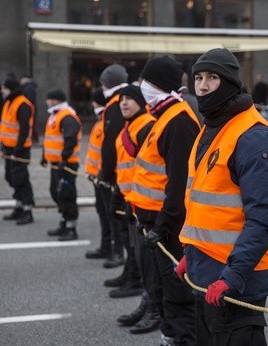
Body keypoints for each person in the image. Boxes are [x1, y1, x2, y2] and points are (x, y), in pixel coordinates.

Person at [176, 48, 268, 345]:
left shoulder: (252, 136)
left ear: (230, 83)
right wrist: (191, 255)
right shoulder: (211, 127)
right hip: (206, 274)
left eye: (212, 77)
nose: (203, 85)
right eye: (198, 77)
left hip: (235, 283)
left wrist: (232, 276)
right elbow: (205, 204)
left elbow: (266, 218)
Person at [124, 55, 201, 346]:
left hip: (168, 229)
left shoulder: (178, 121)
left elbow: (179, 185)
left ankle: (180, 339)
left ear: (158, 85)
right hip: (156, 225)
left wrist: (164, 225)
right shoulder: (163, 116)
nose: (141, 86)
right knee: (165, 293)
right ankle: (169, 336)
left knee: (179, 297)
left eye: (146, 80)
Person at [112, 84, 160, 334]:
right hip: (131, 201)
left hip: (145, 204)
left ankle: (154, 308)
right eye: (122, 99)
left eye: (130, 98)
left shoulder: (146, 125)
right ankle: (148, 301)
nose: (124, 103)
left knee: (150, 262)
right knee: (141, 259)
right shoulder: (129, 125)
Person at [97, 64, 130, 269]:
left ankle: (118, 253)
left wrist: (105, 172)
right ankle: (114, 250)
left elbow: (110, 142)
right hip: (119, 169)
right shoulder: (121, 101)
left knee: (115, 214)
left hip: (118, 171)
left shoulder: (116, 104)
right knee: (111, 212)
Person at [40, 88, 82, 241]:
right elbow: (49, 138)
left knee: (67, 195)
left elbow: (70, 139)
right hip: (56, 163)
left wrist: (64, 158)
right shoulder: (54, 115)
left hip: (67, 164)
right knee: (56, 192)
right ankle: (64, 221)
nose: (47, 102)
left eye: (49, 99)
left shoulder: (67, 117)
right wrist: (44, 156)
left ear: (56, 100)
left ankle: (71, 228)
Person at [0, 78, 35, 225]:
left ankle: (27, 210)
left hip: (19, 150)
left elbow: (24, 130)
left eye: (4, 88)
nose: (2, 90)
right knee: (11, 178)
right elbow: (5, 127)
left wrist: (17, 150)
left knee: (21, 180)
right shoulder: (9, 102)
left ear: (10, 89)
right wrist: (3, 147)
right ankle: (19, 206)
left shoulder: (22, 104)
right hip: (9, 148)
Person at [84, 88, 112, 259]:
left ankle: (112, 250)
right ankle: (105, 246)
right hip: (97, 177)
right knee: (102, 213)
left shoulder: (107, 123)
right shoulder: (99, 122)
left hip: (104, 178)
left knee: (109, 215)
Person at [20, 75, 39, 144]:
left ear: (26, 79)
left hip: (30, 108)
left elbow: (29, 98)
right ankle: (34, 138)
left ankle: (35, 138)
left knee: (32, 123)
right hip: (31, 108)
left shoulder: (29, 87)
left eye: (22, 79)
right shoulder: (29, 86)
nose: (21, 81)